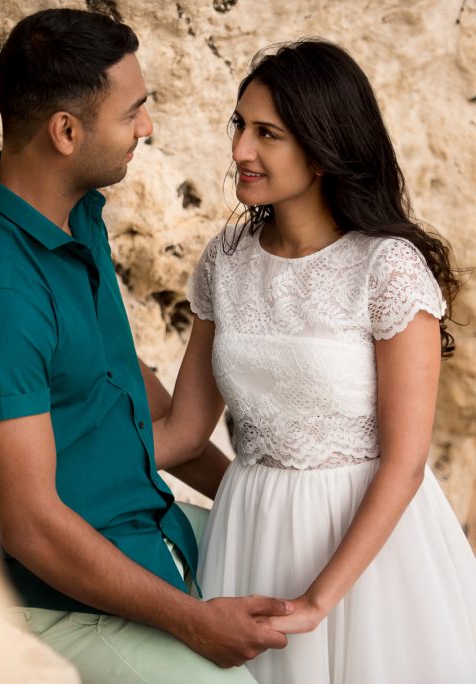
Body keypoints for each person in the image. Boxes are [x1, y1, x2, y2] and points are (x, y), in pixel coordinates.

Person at [0, 9, 294, 684]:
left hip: (144, 524)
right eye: (133, 113)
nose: (146, 128)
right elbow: (31, 528)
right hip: (54, 594)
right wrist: (192, 620)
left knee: (321, 579)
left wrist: (243, 490)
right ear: (66, 132)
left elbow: (121, 382)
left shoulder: (74, 214)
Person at [154, 38, 476, 683]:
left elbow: (405, 463)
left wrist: (318, 601)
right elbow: (185, 432)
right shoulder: (228, 258)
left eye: (267, 133)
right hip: (250, 533)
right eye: (240, 125)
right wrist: (51, 466)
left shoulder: (386, 268)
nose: (241, 149)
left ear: (324, 147)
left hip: (369, 553)